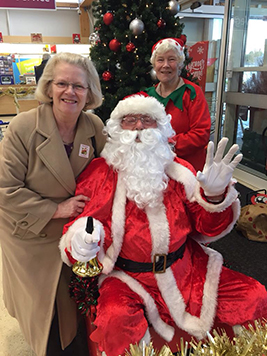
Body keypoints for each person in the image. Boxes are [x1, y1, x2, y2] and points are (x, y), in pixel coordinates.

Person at [59, 95, 267, 356]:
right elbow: (79, 227)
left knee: (254, 296)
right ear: (116, 128)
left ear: (160, 129)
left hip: (187, 270)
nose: (138, 127)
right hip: (127, 278)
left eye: (147, 120)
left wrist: (214, 197)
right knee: (115, 320)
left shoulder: (180, 171)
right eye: (130, 120)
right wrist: (80, 243)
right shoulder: (101, 172)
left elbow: (208, 228)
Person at [0, 52, 107, 356]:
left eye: (79, 86)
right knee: (46, 310)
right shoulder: (23, 127)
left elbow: (113, 168)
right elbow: (4, 189)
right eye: (62, 83)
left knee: (76, 304)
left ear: (89, 93)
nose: (70, 92)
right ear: (48, 88)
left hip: (77, 232)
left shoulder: (94, 126)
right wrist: (57, 210)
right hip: (32, 231)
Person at [138, 37, 211, 172]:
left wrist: (167, 143)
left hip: (187, 169)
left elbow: (201, 134)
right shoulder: (147, 97)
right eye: (160, 60)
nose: (165, 65)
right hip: (155, 169)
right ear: (154, 65)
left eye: (171, 59)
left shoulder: (192, 93)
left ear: (180, 64)